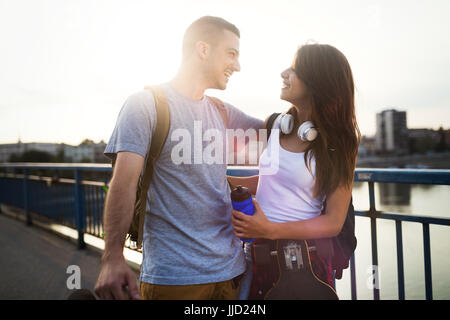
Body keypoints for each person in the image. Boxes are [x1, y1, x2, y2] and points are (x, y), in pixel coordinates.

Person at [94, 16, 263, 300]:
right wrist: (112, 257)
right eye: (231, 54)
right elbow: (122, 184)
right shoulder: (145, 105)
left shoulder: (221, 111)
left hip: (232, 272)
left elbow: (277, 129)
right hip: (176, 279)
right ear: (203, 50)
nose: (237, 65)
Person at [229, 43, 360, 299]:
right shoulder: (278, 124)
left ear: (317, 82)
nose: (284, 73)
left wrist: (269, 230)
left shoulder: (339, 142)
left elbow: (333, 222)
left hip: (302, 266)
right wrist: (220, 181)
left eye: (295, 69)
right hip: (255, 255)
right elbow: (272, 181)